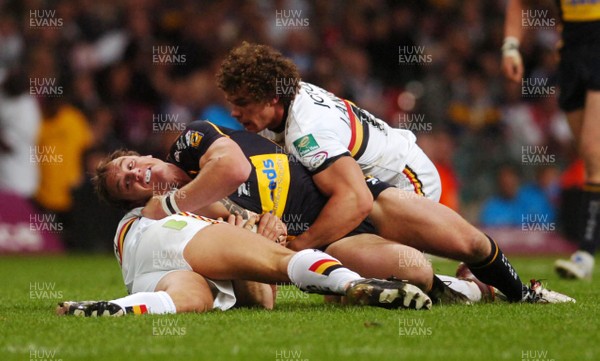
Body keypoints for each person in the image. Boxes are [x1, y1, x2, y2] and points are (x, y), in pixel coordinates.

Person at [215, 43, 573, 303]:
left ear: (271, 98)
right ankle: (468, 284)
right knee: (345, 291)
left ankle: (476, 288)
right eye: (232, 103)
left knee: (371, 270)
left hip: (403, 179)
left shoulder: (307, 132)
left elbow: (353, 200)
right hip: (371, 181)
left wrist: (299, 248)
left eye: (243, 102)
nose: (235, 112)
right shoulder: (287, 104)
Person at [93, 120, 573, 304]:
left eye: (131, 165)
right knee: (415, 269)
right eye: (126, 184)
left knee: (467, 240)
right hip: (330, 240)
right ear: (134, 201)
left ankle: (522, 293)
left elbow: (234, 168)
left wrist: (177, 200)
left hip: (354, 198)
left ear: (147, 154)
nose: (136, 175)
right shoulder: (186, 224)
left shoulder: (192, 141)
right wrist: (264, 236)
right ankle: (467, 290)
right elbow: (257, 274)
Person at [57, 209, 432, 317]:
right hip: (177, 231)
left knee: (190, 301)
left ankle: (113, 309)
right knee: (281, 260)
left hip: (141, 276)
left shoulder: (131, 226)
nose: (137, 171)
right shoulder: (169, 196)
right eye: (128, 170)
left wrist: (252, 236)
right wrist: (254, 231)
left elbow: (263, 303)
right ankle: (350, 283)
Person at [502, 0, 599, 279]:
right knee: (589, 155)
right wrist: (511, 46)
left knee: (594, 154)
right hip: (571, 56)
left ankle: (585, 253)